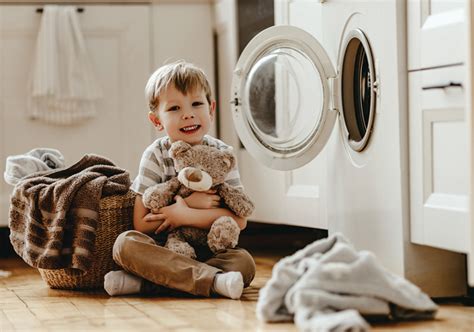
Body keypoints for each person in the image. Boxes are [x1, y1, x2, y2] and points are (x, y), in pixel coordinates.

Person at [103, 60, 256, 299]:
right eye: (174, 109)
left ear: (211, 109)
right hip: (164, 250)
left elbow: (240, 220)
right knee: (125, 245)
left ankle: (145, 284)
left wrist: (187, 216)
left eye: (196, 104)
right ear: (156, 120)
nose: (188, 114)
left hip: (209, 250)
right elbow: (141, 224)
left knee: (243, 262)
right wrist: (184, 209)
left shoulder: (223, 154)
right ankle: (214, 282)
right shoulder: (155, 155)